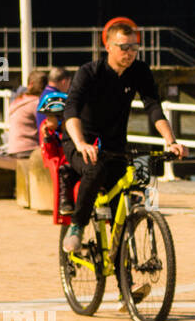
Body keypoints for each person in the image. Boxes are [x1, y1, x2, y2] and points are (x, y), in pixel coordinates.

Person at [61, 23, 188, 252]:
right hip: (80, 142)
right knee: (95, 169)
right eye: (123, 47)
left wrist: (171, 141)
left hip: (115, 144)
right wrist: (81, 143)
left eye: (134, 47)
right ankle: (77, 226)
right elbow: (71, 110)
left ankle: (124, 284)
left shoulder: (139, 71)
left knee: (123, 208)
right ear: (108, 46)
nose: (129, 53)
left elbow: (153, 108)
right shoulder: (89, 72)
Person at [37, 91, 78, 216]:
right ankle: (65, 201)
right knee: (64, 171)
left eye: (49, 118)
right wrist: (47, 138)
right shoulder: (51, 134)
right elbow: (50, 154)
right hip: (64, 164)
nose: (46, 122)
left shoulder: (74, 132)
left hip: (75, 161)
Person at [4, 69, 47, 156]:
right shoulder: (36, 103)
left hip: (12, 148)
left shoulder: (19, 99)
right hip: (28, 149)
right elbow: (45, 126)